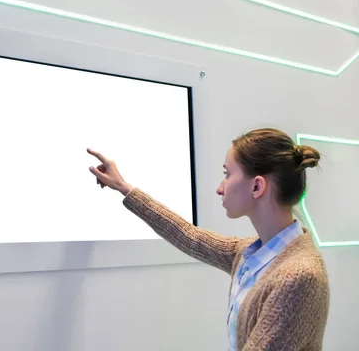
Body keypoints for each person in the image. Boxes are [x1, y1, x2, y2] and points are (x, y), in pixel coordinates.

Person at [87, 128, 330, 351]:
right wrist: (123, 187)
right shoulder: (251, 253)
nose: (220, 188)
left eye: (227, 174)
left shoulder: (298, 276)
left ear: (257, 187)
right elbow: (189, 236)